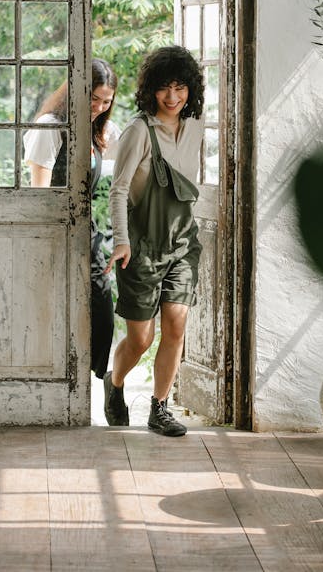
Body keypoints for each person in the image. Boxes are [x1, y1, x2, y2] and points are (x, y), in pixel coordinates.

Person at [104, 45, 205, 436]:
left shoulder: (195, 126)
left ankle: (160, 409)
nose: (173, 97)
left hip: (183, 244)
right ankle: (115, 382)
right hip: (142, 248)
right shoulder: (138, 130)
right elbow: (118, 190)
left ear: (190, 89)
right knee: (141, 339)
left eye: (180, 88)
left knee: (176, 324)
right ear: (152, 90)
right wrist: (122, 241)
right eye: (165, 89)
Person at [23, 59, 120, 379]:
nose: (99, 107)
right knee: (51, 312)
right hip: (53, 231)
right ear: (75, 91)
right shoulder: (51, 125)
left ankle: (97, 378)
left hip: (86, 230)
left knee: (102, 305)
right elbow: (40, 192)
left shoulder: (97, 129)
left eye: (106, 101)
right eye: (94, 98)